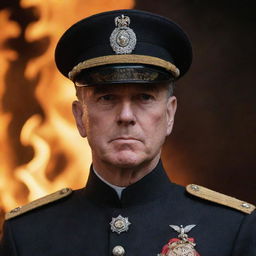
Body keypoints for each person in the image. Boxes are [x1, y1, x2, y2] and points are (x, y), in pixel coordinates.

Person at [0, 9, 255, 256]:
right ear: (80, 117)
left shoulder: (231, 230)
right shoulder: (26, 235)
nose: (125, 116)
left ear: (169, 115)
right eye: (107, 97)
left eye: (144, 97)